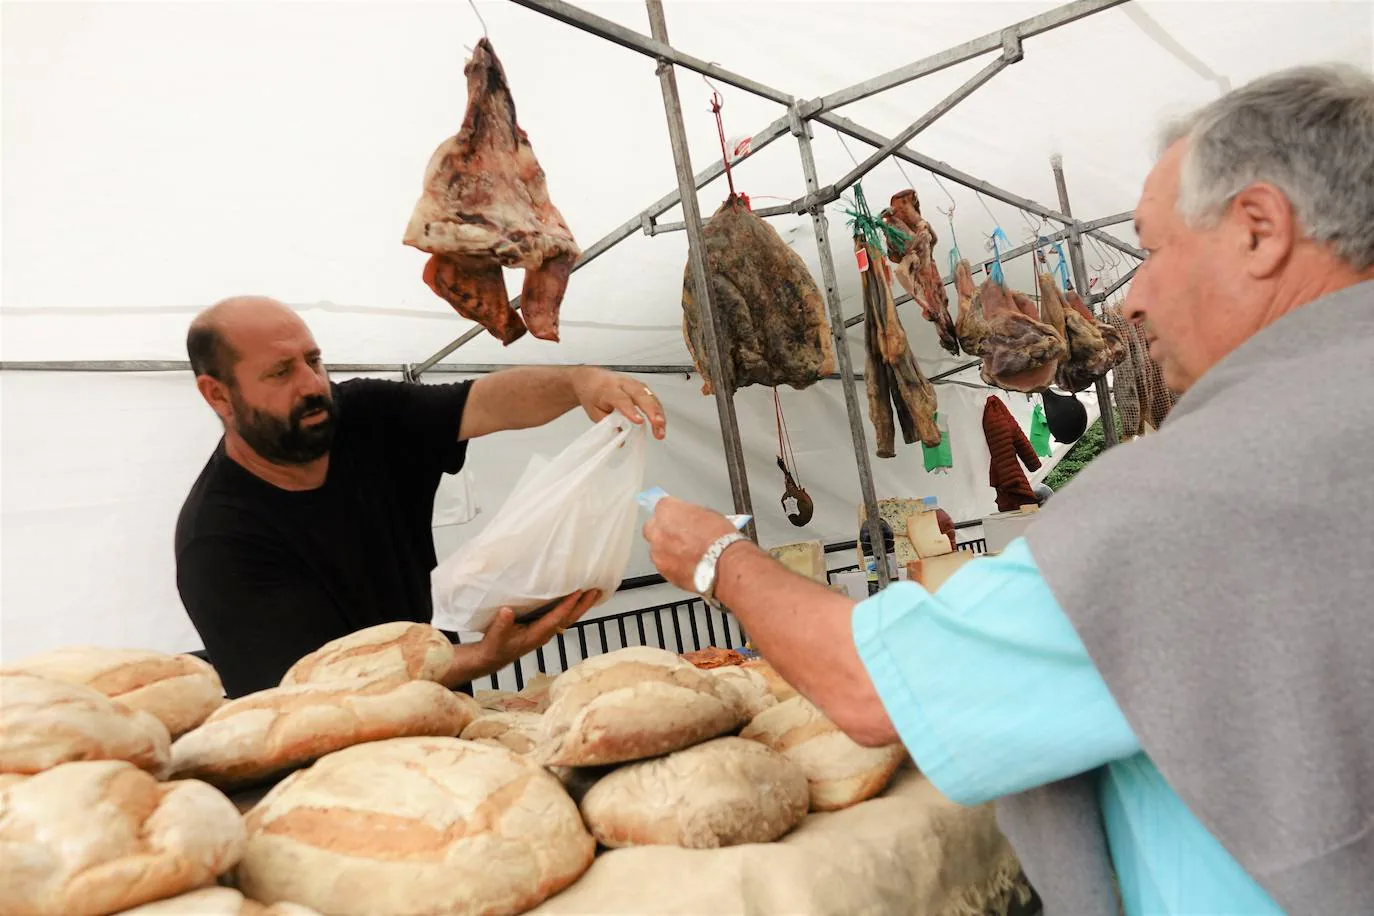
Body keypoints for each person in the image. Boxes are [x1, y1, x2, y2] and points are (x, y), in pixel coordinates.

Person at [644, 64, 1374, 916]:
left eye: (1151, 249)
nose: (1132, 298)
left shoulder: (1207, 481)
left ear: (1258, 230)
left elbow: (876, 691)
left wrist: (718, 560)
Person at [176, 296, 667, 698]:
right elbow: (317, 691)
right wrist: (483, 658)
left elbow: (484, 401)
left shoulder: (364, 415)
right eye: (280, 373)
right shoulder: (217, 540)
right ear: (217, 395)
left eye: (313, 359)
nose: (312, 385)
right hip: (337, 779)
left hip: (446, 729)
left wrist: (577, 381)